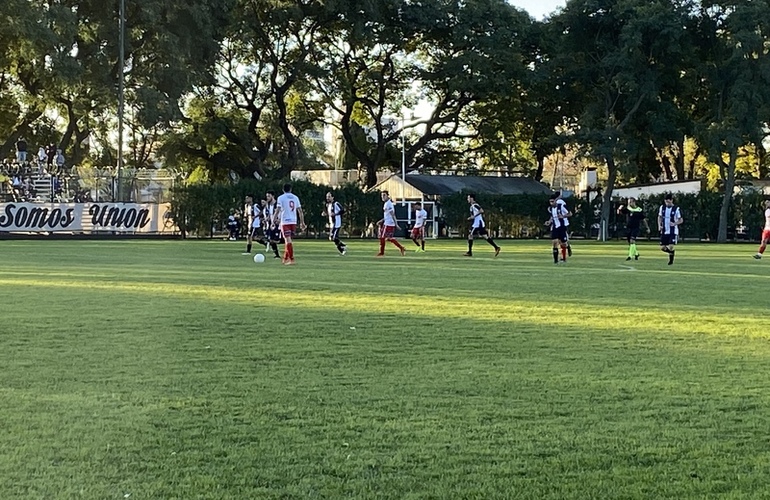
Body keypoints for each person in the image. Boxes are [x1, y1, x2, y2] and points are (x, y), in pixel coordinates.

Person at [275, 183, 306, 265]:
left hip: (285, 221)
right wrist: (302, 222)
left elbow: (278, 209)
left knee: (288, 239)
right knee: (287, 240)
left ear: (283, 190)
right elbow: (300, 211)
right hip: (293, 221)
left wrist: (274, 219)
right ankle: (285, 258)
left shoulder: (280, 198)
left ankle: (291, 259)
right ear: (291, 189)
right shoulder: (295, 197)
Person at [376, 190, 406, 257]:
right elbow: (387, 215)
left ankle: (382, 252)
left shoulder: (388, 204)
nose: (382, 197)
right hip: (387, 223)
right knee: (389, 238)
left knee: (382, 237)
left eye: (384, 195)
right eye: (382, 196)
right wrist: (381, 220)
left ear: (387, 196)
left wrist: (396, 224)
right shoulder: (386, 203)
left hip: (388, 224)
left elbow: (393, 215)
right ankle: (401, 248)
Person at [658, 193, 683, 265]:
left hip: (673, 231)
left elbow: (681, 220)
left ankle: (670, 261)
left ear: (672, 200)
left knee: (671, 246)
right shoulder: (662, 207)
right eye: (666, 202)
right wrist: (659, 225)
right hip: (665, 230)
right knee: (663, 248)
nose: (667, 203)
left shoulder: (676, 209)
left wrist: (675, 223)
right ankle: (672, 253)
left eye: (668, 202)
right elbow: (659, 217)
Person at [546, 194, 571, 264]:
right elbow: (552, 217)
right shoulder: (551, 209)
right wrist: (549, 222)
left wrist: (563, 216)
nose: (551, 203)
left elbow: (570, 214)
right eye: (550, 202)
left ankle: (568, 246)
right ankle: (556, 260)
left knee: (563, 243)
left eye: (552, 201)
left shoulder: (561, 207)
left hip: (562, 227)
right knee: (555, 242)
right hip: (555, 227)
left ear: (556, 201)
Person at [263, 191, 282, 259]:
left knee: (277, 240)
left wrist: (280, 219)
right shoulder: (268, 205)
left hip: (278, 224)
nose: (267, 198)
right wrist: (267, 219)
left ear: (273, 196)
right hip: (272, 224)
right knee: (271, 240)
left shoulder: (278, 204)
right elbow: (270, 214)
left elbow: (282, 212)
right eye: (267, 196)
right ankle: (277, 255)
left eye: (269, 196)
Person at [554, 191, 573, 256]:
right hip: (557, 224)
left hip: (564, 223)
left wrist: (563, 216)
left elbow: (570, 213)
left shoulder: (561, 204)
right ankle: (566, 249)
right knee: (559, 241)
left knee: (563, 240)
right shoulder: (554, 204)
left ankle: (567, 249)